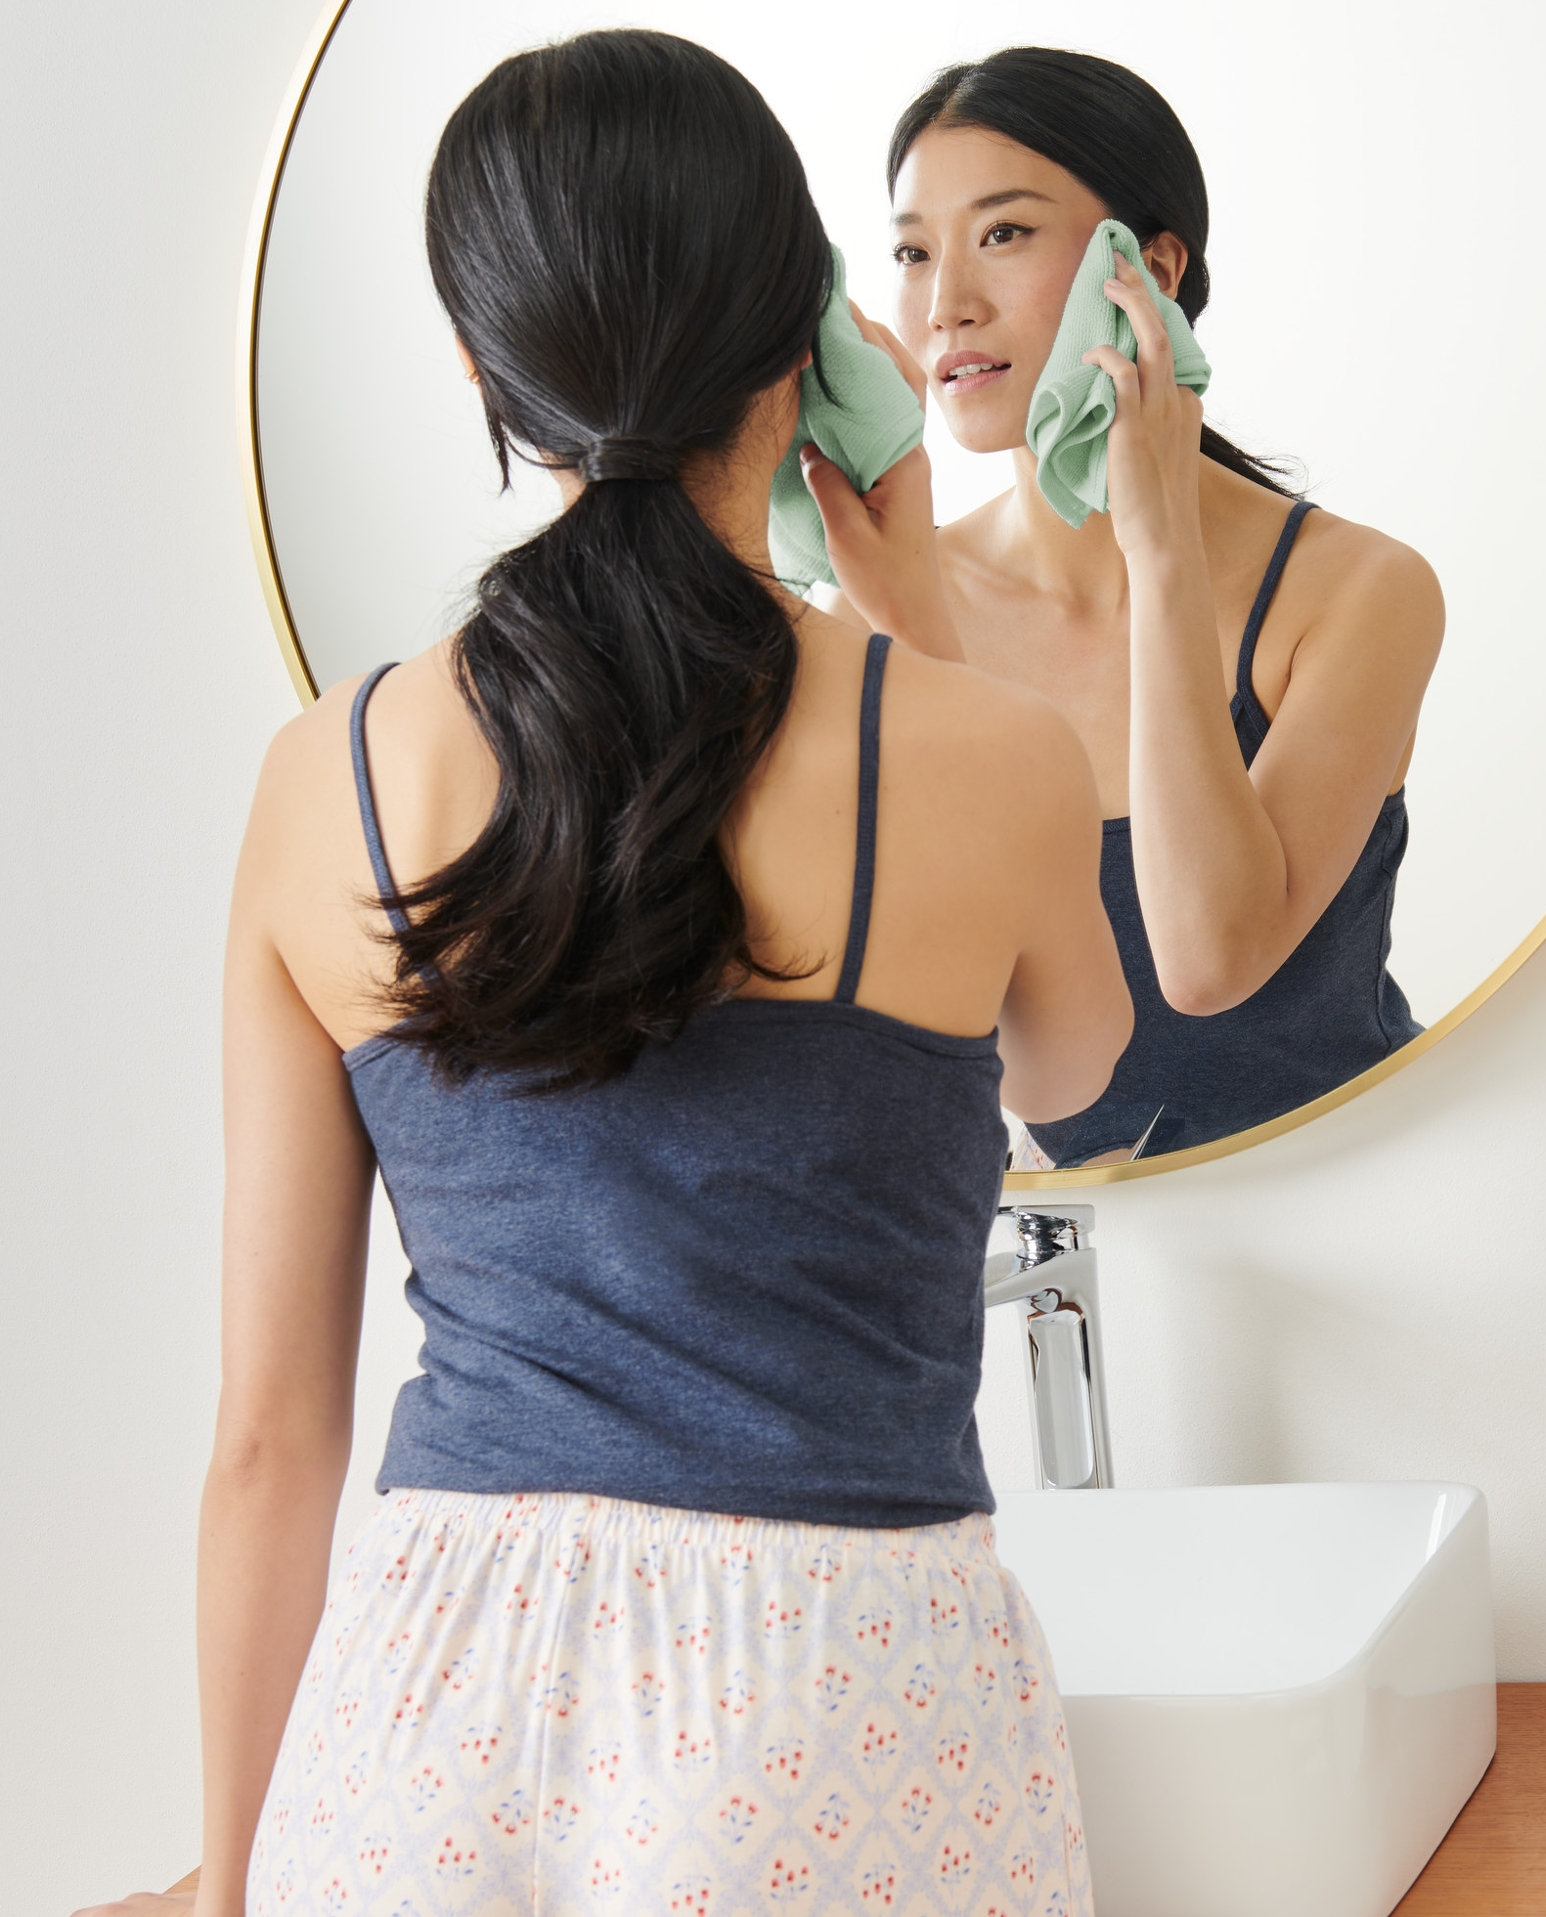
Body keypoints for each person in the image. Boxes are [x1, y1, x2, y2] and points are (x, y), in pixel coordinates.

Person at [78, 30, 1127, 1917]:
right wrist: (930, 620)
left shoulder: (329, 779)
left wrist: (230, 1877)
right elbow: (1085, 1076)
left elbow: (270, 1439)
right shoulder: (980, 760)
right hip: (841, 1709)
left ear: (487, 369)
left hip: (413, 1726)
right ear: (806, 344)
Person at [847, 47, 1444, 1165]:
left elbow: (1210, 959)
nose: (946, 305)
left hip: (1381, 1205)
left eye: (1005, 233)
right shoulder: (890, 610)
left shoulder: (1359, 593)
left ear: (1151, 266)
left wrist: (1162, 558)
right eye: (913, 253)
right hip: (1091, 1254)